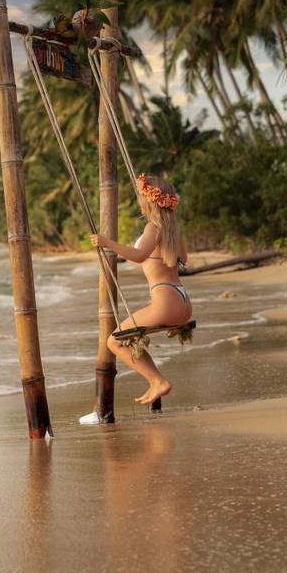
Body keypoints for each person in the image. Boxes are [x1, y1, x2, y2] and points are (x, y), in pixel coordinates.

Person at [90, 174, 192, 407]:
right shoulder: (174, 228)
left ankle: (158, 381)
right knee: (126, 336)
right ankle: (155, 382)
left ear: (148, 200)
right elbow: (183, 259)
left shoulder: (153, 227)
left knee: (113, 341)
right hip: (183, 300)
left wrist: (107, 243)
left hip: (166, 301)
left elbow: (139, 255)